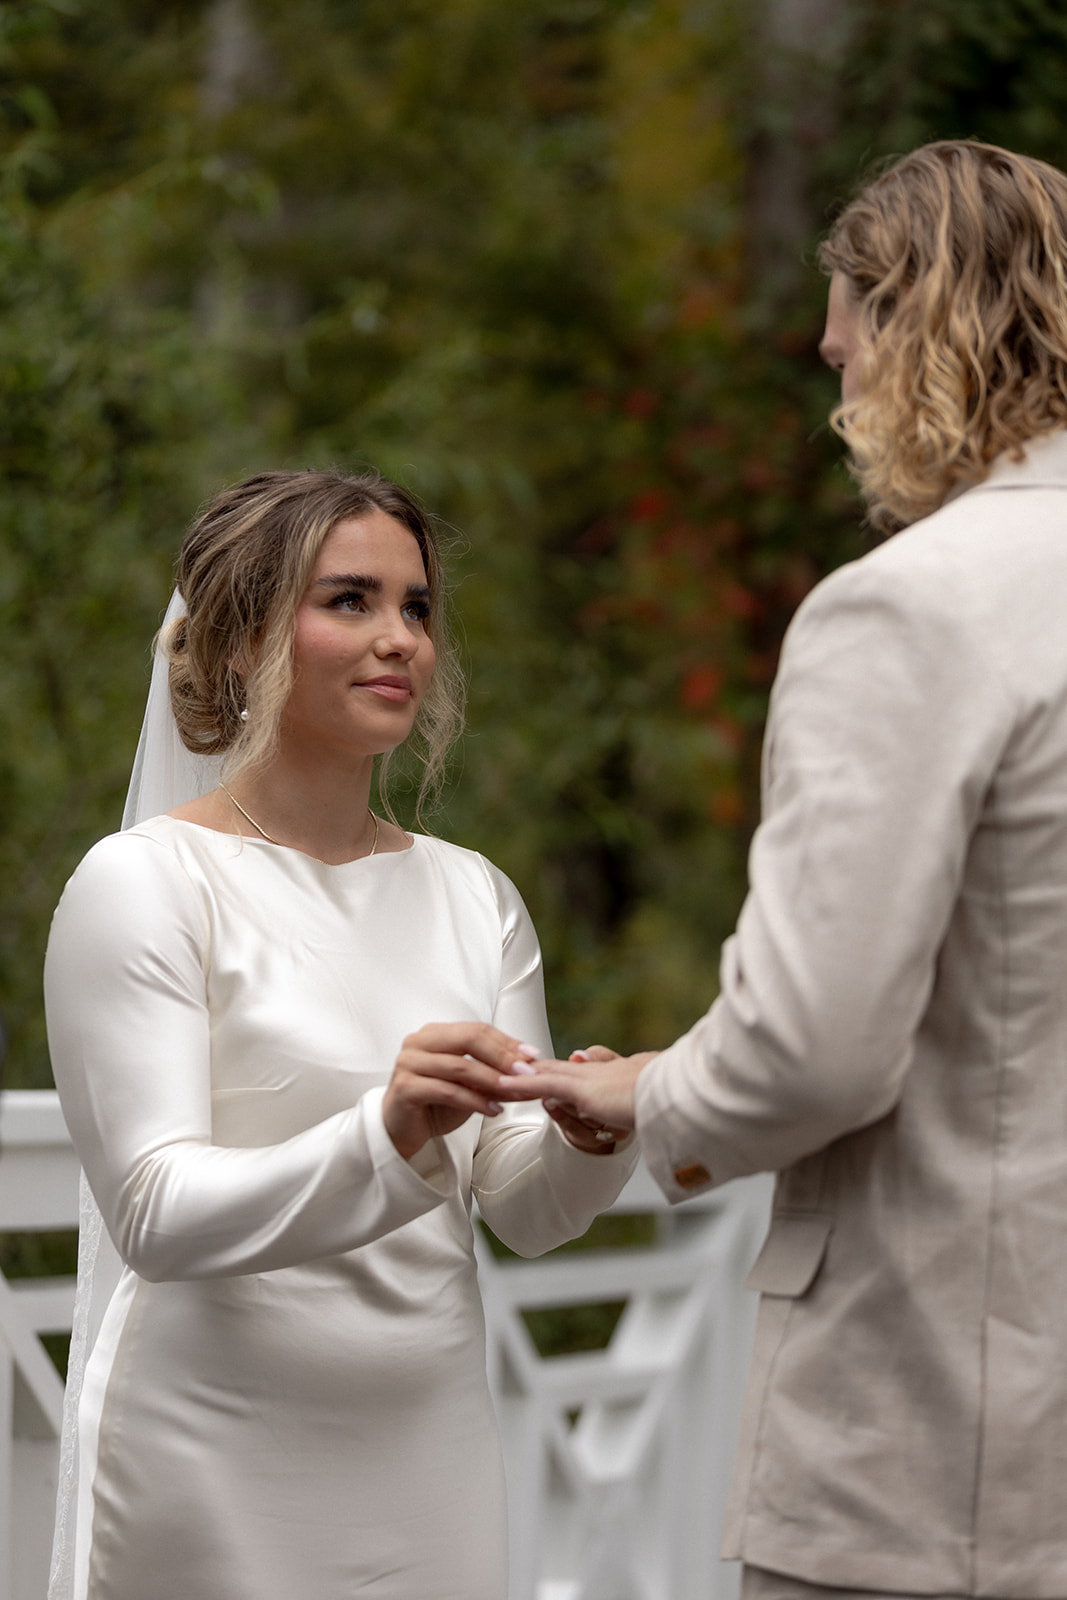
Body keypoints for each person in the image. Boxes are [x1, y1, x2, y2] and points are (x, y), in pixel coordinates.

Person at [502, 140, 1067, 1599]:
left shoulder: (908, 613)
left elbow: (810, 1048)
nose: (835, 395)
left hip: (942, 1454)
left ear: (922, 324)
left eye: (846, 348)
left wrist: (646, 1093)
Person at [43, 469, 636, 1600]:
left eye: (415, 607)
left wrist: (584, 1137)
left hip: (428, 1441)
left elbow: (520, 1208)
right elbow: (153, 1212)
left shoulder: (474, 895)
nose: (397, 638)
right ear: (237, 639)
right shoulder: (146, 884)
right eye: (349, 600)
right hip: (215, 1447)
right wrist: (386, 1128)